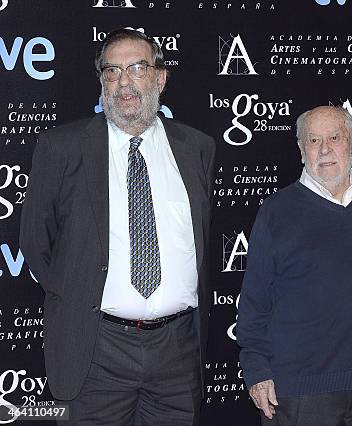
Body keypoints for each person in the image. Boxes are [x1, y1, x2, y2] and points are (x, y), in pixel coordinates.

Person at [20, 28, 215, 424]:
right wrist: (78, 292)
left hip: (177, 353)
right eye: (112, 71)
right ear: (102, 82)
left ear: (160, 78)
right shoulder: (62, 147)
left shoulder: (197, 148)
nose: (124, 81)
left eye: (137, 68)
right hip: (95, 351)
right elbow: (36, 243)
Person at [236, 106, 352, 426]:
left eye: (335, 138)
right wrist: (256, 370)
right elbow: (254, 302)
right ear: (301, 151)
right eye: (313, 140)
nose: (324, 149)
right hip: (299, 389)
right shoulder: (277, 211)